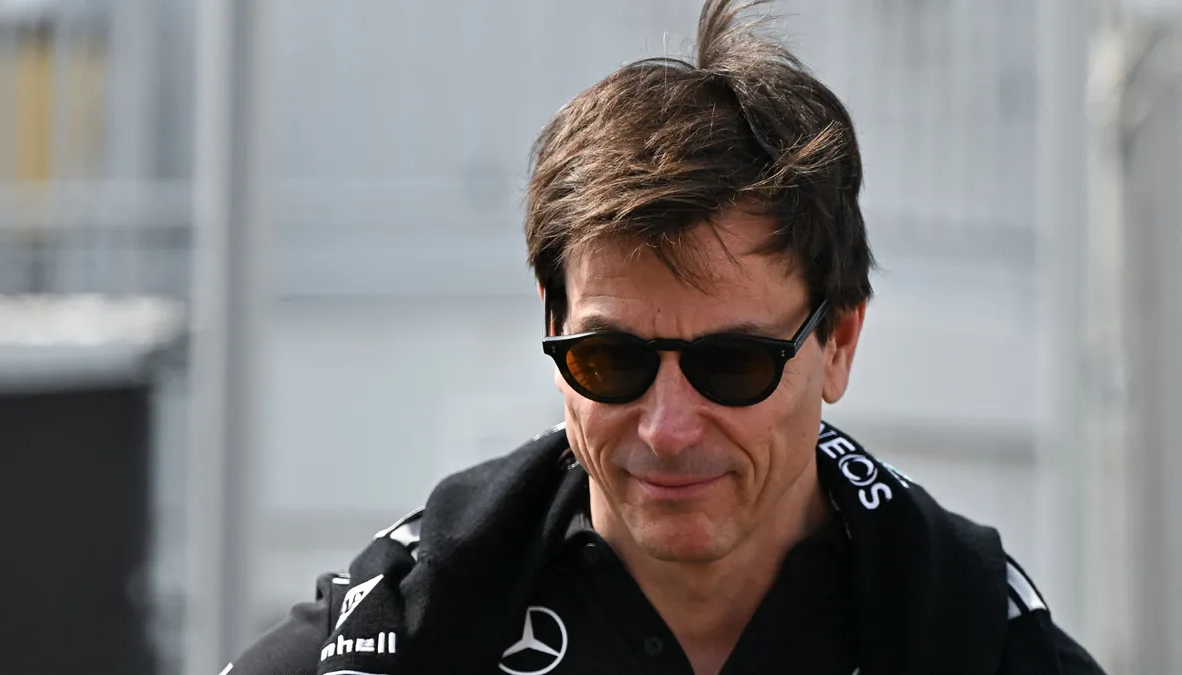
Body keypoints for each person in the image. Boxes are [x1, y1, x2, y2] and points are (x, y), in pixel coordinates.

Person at [222, 1, 1107, 673]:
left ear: (838, 343)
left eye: (733, 363)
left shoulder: (980, 640)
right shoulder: (402, 625)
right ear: (552, 329)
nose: (668, 428)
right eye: (612, 360)